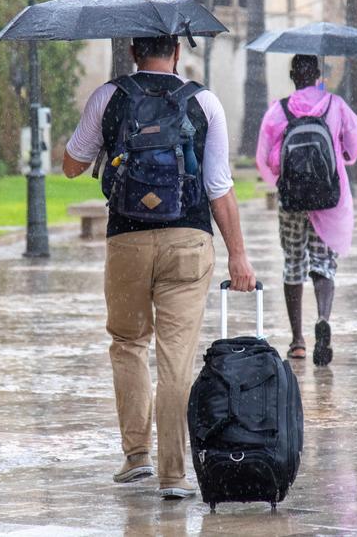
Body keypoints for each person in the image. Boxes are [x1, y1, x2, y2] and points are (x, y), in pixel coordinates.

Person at [62, 34, 256, 501]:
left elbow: (70, 165)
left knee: (128, 343)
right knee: (176, 359)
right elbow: (218, 186)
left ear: (132, 51)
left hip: (127, 239)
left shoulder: (109, 97)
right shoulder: (203, 103)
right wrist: (238, 254)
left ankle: (136, 458)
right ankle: (174, 475)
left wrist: (110, 150)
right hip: (189, 239)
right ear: (177, 52)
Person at [256, 55, 357, 366]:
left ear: (292, 76)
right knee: (323, 263)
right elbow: (353, 146)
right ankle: (323, 318)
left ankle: (297, 341)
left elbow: (265, 159)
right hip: (327, 197)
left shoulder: (279, 109)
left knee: (293, 261)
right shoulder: (336, 106)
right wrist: (339, 155)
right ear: (318, 75)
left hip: (292, 199)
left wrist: (285, 177)